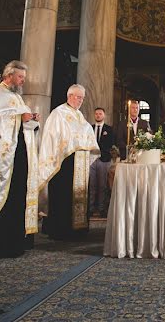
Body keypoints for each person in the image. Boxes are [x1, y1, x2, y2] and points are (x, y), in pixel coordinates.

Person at [0, 60, 40, 258]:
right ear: (9, 75)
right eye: (20, 77)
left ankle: (14, 242)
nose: (23, 81)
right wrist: (18, 118)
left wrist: (31, 121)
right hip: (2, 156)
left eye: (23, 78)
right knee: (2, 195)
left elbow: (21, 122)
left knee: (16, 195)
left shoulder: (15, 97)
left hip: (18, 154)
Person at [38, 84, 99, 239]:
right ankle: (61, 229)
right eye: (78, 97)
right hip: (64, 162)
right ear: (69, 96)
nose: (80, 101)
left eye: (82, 98)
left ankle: (78, 229)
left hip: (80, 162)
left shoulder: (79, 115)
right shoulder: (58, 113)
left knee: (78, 195)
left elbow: (87, 133)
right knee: (63, 195)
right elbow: (52, 138)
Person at [89, 107, 114, 218]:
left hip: (104, 159)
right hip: (91, 159)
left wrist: (100, 150)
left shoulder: (109, 129)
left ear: (104, 115)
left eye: (100, 114)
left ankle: (102, 208)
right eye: (97, 114)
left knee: (103, 185)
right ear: (94, 115)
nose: (98, 115)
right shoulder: (89, 128)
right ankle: (90, 208)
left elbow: (111, 143)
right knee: (92, 184)